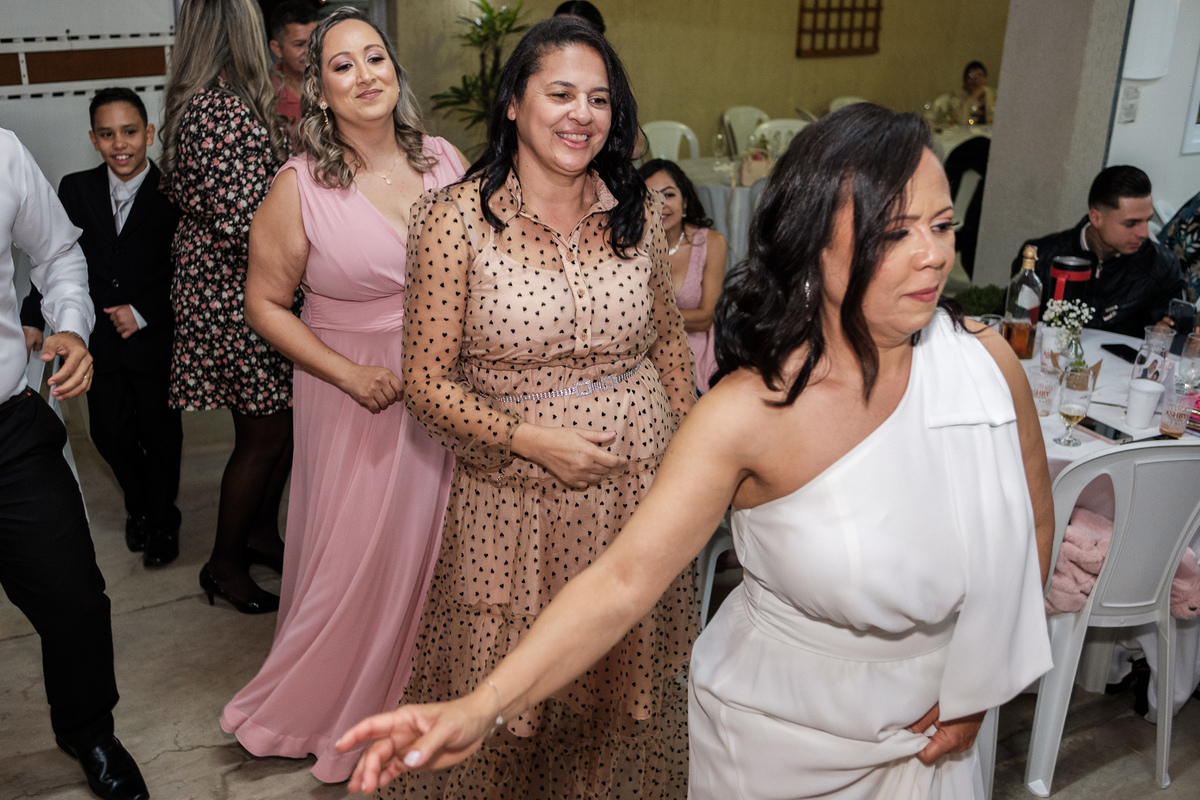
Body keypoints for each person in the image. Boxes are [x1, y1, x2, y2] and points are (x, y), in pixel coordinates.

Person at [337, 104, 1056, 799]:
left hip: (941, 726)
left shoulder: (986, 367)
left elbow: (1031, 528)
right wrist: (482, 704)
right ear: (812, 242)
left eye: (942, 225)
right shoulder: (746, 415)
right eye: (895, 233)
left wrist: (978, 685)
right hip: (781, 739)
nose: (933, 254)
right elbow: (622, 582)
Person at [370, 17, 697, 799]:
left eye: (599, 99)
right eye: (561, 94)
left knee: (623, 691)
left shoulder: (636, 211)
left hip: (638, 497)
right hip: (513, 511)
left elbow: (668, 344)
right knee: (504, 698)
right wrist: (530, 440)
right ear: (514, 102)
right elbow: (426, 383)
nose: (582, 114)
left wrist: (693, 462)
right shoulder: (452, 219)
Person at [221, 8, 469, 782]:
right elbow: (264, 304)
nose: (365, 75)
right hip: (357, 391)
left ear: (396, 70)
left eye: (375, 58)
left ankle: (429, 698)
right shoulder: (298, 186)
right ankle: (319, 702)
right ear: (318, 91)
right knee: (355, 560)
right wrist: (347, 373)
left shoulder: (444, 159)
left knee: (442, 546)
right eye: (342, 65)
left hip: (447, 387)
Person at [1, 128, 149, 800]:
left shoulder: (2, 153)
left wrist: (68, 324)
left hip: (8, 429)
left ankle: (88, 730)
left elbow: (58, 251)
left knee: (74, 598)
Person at [159, 0, 294, 613]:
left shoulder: (216, 100)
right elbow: (246, 222)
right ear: (239, 30)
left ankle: (260, 534)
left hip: (232, 283)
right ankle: (224, 563)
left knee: (280, 427)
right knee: (263, 434)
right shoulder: (219, 109)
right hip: (232, 291)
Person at [21, 88, 183, 567]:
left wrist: (144, 310)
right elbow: (52, 258)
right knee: (109, 434)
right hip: (98, 342)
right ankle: (140, 505)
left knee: (161, 436)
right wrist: (32, 316)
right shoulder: (75, 189)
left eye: (129, 132)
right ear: (93, 139)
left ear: (148, 134)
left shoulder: (173, 192)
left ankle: (162, 521)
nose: (120, 144)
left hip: (154, 341)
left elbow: (187, 270)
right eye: (107, 134)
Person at [1012, 165, 1185, 338]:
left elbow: (1175, 329)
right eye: (1131, 223)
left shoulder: (1161, 264)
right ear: (1096, 218)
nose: (1144, 233)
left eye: (1147, 220)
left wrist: (1169, 332)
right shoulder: (1041, 256)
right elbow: (1013, 323)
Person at [639, 158, 726, 392]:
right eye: (649, 197)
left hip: (696, 358)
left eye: (669, 195)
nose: (660, 204)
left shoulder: (711, 243)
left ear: (685, 201)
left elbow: (706, 317)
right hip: (645, 359)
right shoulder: (629, 247)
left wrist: (644, 317)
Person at [268, 0, 319, 129]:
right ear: (277, 49)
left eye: (314, 42)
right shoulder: (265, 93)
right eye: (299, 44)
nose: (309, 51)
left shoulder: (334, 82)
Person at [952, 61, 995, 125]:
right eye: (971, 75)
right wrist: (974, 96)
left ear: (985, 78)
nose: (976, 79)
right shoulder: (957, 96)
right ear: (964, 80)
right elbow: (961, 121)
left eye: (980, 75)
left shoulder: (993, 94)